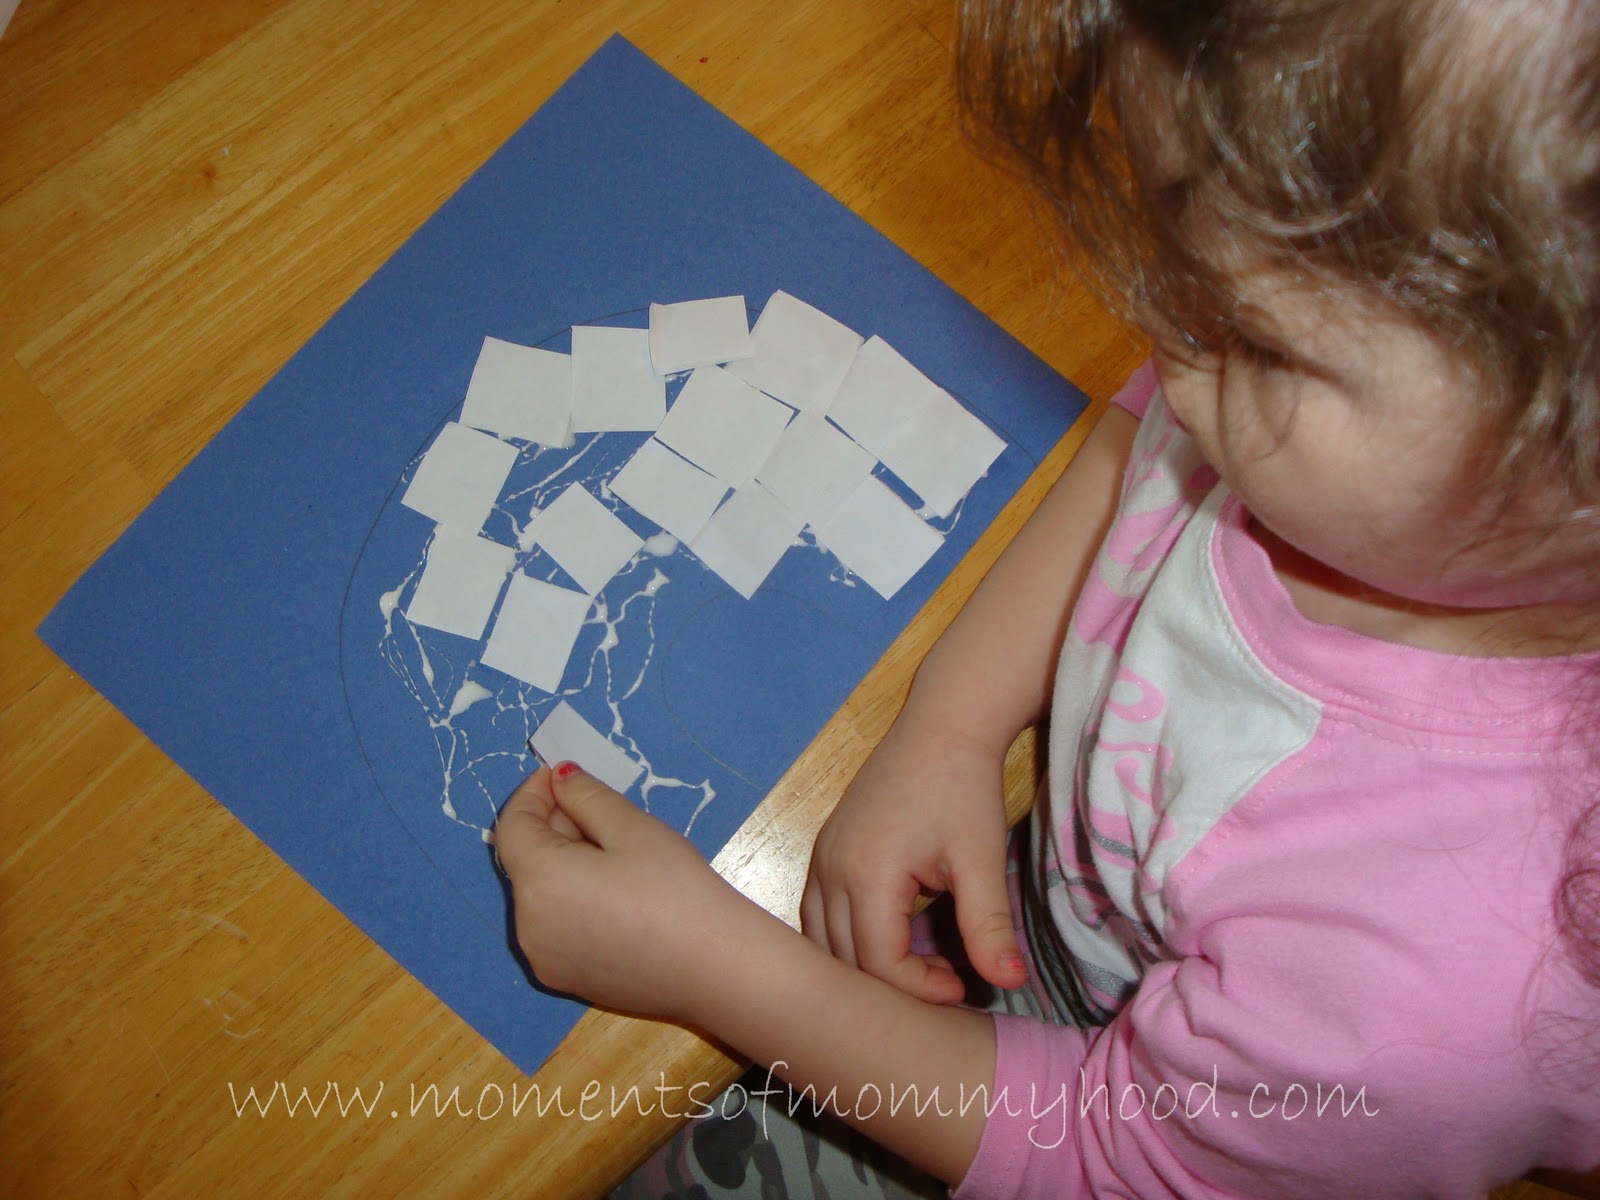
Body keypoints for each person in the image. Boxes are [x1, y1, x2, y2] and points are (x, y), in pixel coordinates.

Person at [495, 0, 1600, 1194]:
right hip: (1077, 906)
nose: (1159, 327)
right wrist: (953, 720)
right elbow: (1143, 432)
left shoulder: (1433, 996)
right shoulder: (1291, 414)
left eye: (1253, 334)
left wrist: (710, 970)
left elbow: (1100, 1158)